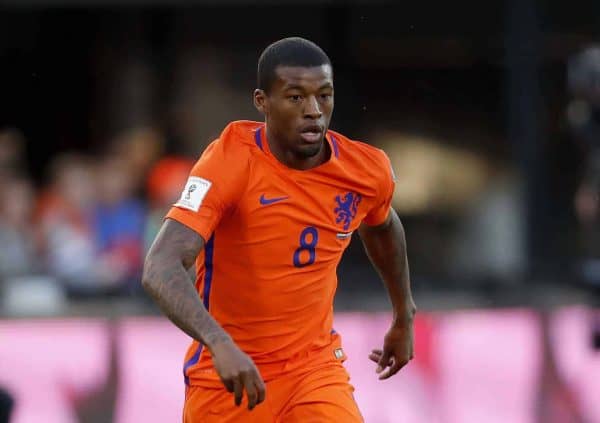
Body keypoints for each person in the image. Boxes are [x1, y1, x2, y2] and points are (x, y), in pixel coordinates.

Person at [142, 37, 416, 422]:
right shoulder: (229, 161)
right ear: (262, 102)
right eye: (295, 98)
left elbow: (382, 224)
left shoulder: (365, 171)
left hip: (314, 370)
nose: (314, 112)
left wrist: (403, 315)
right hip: (230, 375)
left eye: (324, 96)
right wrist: (219, 343)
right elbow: (161, 266)